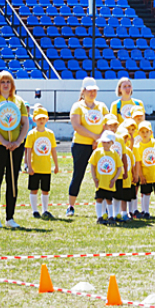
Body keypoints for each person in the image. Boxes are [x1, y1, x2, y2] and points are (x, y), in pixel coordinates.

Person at [0, 71, 30, 229]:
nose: (5, 84)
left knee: (12, 181)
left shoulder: (19, 101)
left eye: (8, 82)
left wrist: (18, 141)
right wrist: (3, 141)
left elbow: (25, 123)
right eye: (2, 82)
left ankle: (10, 217)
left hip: (15, 146)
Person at [67, 77, 107, 218]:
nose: (92, 93)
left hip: (99, 145)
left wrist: (100, 139)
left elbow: (107, 125)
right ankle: (71, 206)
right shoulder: (77, 106)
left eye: (94, 91)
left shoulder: (102, 106)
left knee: (103, 175)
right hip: (81, 145)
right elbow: (77, 126)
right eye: (89, 91)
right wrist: (95, 137)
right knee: (78, 175)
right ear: (83, 91)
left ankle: (104, 207)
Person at [24, 108, 58, 219]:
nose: (41, 121)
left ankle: (45, 210)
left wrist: (56, 165)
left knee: (45, 190)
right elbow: (28, 151)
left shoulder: (50, 134)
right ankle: (35, 210)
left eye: (43, 118)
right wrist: (29, 166)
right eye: (39, 119)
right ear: (34, 119)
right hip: (34, 167)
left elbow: (53, 150)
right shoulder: (31, 134)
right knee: (34, 189)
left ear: (47, 119)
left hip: (46, 168)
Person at [90, 131, 122, 225]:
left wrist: (114, 179)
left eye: (108, 142)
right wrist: (94, 178)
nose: (105, 144)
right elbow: (92, 165)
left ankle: (111, 216)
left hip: (109, 183)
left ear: (112, 143)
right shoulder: (97, 152)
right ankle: (99, 217)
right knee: (99, 198)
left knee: (109, 200)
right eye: (103, 142)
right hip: (100, 182)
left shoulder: (114, 154)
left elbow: (119, 167)